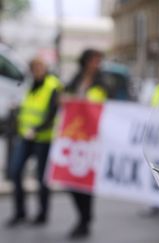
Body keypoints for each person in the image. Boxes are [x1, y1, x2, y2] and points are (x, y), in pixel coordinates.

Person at [6, 57, 62, 227]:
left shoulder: (53, 85)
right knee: (15, 172)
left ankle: (42, 214)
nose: (37, 70)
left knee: (42, 178)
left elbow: (53, 113)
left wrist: (36, 130)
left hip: (43, 138)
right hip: (25, 136)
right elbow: (27, 106)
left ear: (45, 68)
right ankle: (20, 212)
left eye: (40, 66)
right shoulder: (29, 84)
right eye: (34, 67)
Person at [64, 49, 107, 239]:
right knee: (70, 180)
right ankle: (83, 216)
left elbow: (110, 105)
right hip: (75, 135)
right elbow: (65, 97)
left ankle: (84, 220)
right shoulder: (76, 79)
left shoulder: (104, 82)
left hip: (93, 138)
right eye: (93, 60)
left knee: (86, 181)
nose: (96, 64)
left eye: (98, 61)